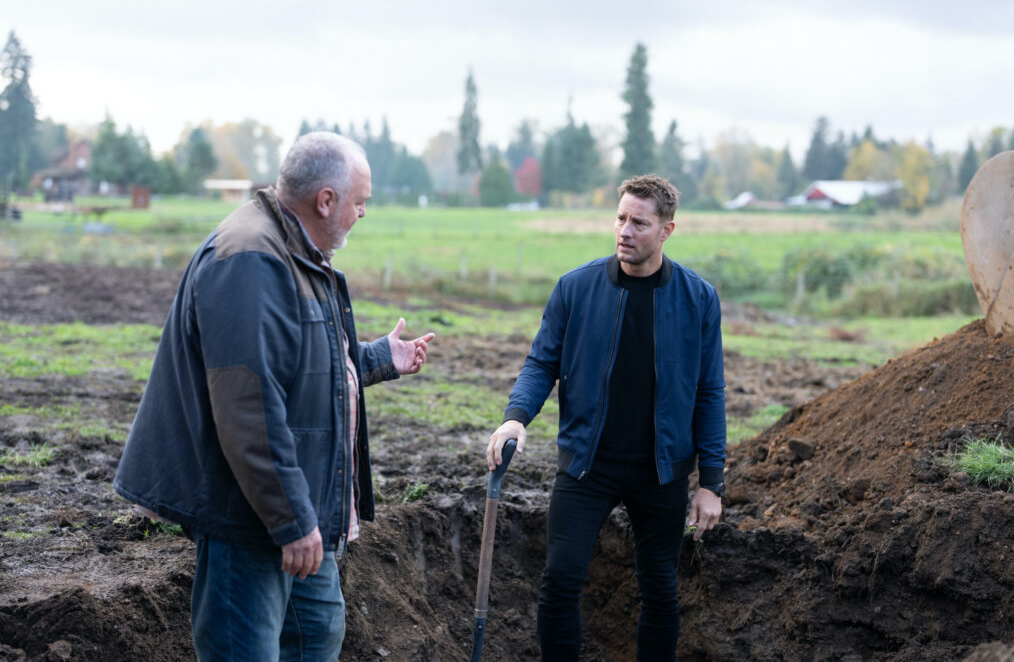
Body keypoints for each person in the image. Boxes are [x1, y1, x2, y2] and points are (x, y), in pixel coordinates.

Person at [114, 132, 435, 660]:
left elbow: (301, 363)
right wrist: (292, 521)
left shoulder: (296, 251)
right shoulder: (249, 260)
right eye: (360, 203)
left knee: (316, 638)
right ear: (325, 200)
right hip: (251, 520)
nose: (362, 215)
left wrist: (376, 358)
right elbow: (248, 408)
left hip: (297, 511)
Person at [486, 174, 726, 661]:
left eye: (639, 222)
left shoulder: (698, 299)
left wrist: (711, 481)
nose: (625, 230)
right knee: (559, 581)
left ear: (667, 230)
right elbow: (541, 363)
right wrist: (516, 417)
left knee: (660, 590)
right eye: (620, 218)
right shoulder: (575, 289)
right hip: (586, 465)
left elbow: (709, 391)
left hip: (662, 470)